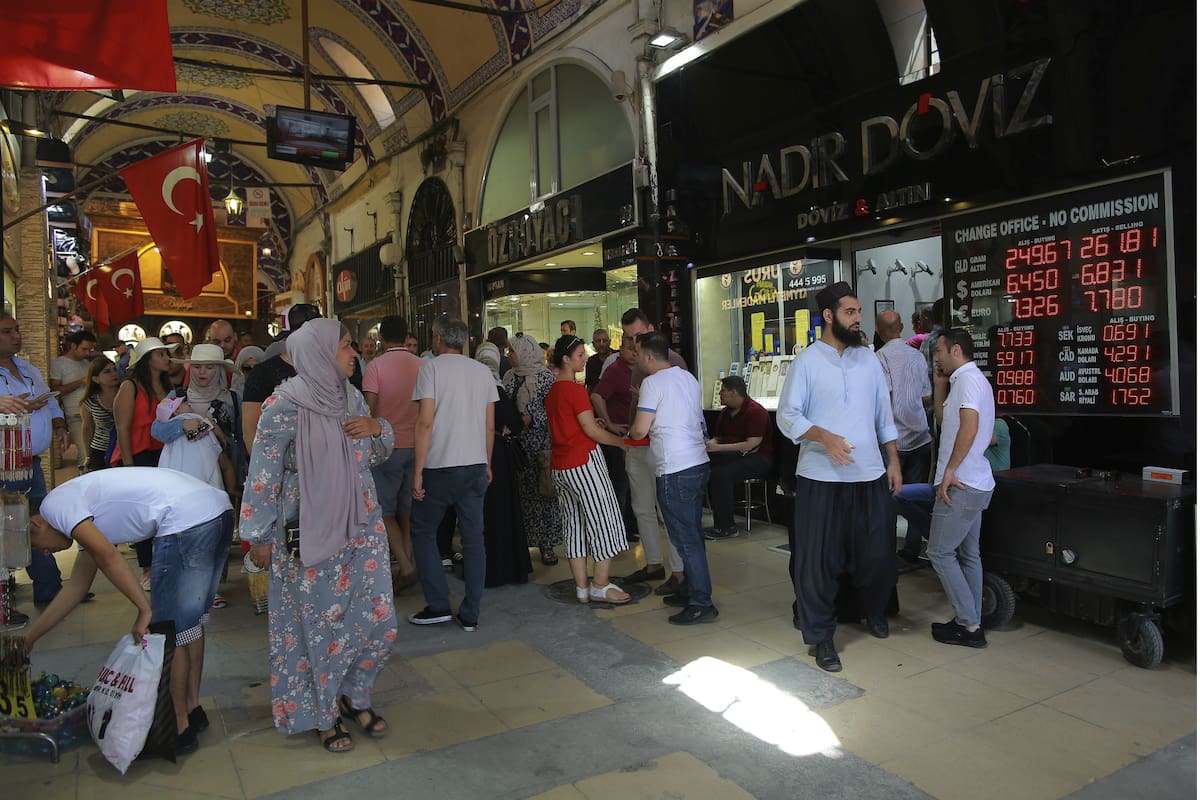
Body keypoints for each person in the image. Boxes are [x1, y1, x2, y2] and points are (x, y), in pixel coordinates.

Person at [241, 318, 397, 753]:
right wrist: (258, 536)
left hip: (362, 528)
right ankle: (323, 714)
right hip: (308, 529)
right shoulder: (283, 405)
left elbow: (375, 454)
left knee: (378, 620)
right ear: (320, 352)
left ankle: (354, 692)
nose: (355, 353)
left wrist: (377, 429)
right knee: (319, 628)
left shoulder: (349, 398)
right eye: (347, 346)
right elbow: (263, 472)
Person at [25, 468, 233, 754]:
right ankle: (192, 710)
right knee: (188, 625)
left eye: (38, 548)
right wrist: (30, 638)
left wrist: (144, 609)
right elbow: (76, 587)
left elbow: (110, 558)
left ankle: (178, 729)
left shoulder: (54, 507)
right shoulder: (82, 512)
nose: (47, 553)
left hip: (186, 520)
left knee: (167, 629)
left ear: (36, 524)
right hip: (216, 511)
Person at [776, 282, 902, 673]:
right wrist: (824, 436)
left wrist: (893, 461)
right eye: (850, 312)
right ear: (829, 316)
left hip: (869, 474)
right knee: (818, 561)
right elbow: (788, 416)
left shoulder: (869, 360)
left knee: (877, 553)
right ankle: (821, 637)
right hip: (820, 477)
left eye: (858, 312)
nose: (858, 319)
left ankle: (874, 611)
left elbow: (883, 415)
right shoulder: (808, 362)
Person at [407, 318, 498, 630]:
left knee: (422, 531)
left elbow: (425, 423)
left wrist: (417, 471)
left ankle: (438, 604)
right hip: (474, 467)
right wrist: (487, 463)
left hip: (439, 467)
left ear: (437, 338)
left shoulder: (430, 369)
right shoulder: (482, 371)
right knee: (474, 539)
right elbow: (489, 426)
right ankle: (471, 613)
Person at [627, 332, 715, 624]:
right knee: (691, 534)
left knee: (686, 539)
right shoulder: (687, 378)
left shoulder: (652, 383)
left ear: (650, 357)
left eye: (637, 353)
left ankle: (702, 601)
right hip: (698, 463)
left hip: (675, 468)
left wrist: (627, 432)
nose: (635, 358)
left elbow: (640, 430)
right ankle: (689, 589)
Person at [545, 335, 631, 604]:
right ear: (566, 360)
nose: (585, 358)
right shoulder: (574, 390)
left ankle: (582, 588)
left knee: (574, 526)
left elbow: (563, 426)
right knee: (604, 521)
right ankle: (601, 584)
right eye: (580, 355)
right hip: (583, 462)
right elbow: (590, 430)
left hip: (560, 466)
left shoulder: (552, 392)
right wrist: (620, 442)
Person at [927, 329, 996, 648]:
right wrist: (939, 385)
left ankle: (969, 624)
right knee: (969, 554)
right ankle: (972, 619)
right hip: (974, 481)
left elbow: (968, 428)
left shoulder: (968, 380)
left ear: (956, 350)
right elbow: (946, 420)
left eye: (939, 351)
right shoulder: (966, 381)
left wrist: (950, 471)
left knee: (939, 552)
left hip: (961, 483)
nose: (936, 357)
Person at [0, 313, 67, 620]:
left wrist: (58, 424)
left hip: (31, 462)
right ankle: (3, 604)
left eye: (17, 329)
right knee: (7, 528)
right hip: (3, 462)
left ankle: (50, 587)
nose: (16, 335)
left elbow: (49, 400)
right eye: (7, 331)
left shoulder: (26, 367)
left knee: (38, 523)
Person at [615, 309, 686, 595]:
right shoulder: (637, 362)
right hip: (638, 444)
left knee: (665, 511)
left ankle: (679, 571)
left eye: (638, 336)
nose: (633, 343)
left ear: (651, 329)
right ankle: (654, 563)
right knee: (642, 508)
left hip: (659, 446)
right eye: (629, 338)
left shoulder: (672, 363)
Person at [112, 337, 179, 590]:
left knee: (162, 512)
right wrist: (129, 467)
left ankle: (164, 562)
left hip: (163, 453)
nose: (166, 358)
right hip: (137, 454)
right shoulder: (130, 387)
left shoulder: (167, 384)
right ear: (148, 359)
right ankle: (147, 566)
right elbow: (122, 428)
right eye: (161, 354)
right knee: (141, 514)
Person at [363, 315, 423, 590]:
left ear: (382, 339)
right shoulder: (422, 365)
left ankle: (406, 564)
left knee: (384, 510)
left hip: (387, 448)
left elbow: (370, 411)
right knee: (409, 508)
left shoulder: (375, 366)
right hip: (419, 445)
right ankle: (408, 560)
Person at [502, 333, 563, 565]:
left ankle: (546, 545)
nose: (509, 355)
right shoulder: (509, 377)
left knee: (543, 495)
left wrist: (531, 418)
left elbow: (553, 410)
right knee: (521, 496)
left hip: (540, 447)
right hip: (517, 447)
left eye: (513, 351)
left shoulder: (545, 378)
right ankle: (523, 543)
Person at [475, 340, 531, 586]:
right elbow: (513, 423)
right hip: (498, 456)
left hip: (476, 454)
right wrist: (519, 422)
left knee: (484, 514)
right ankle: (509, 569)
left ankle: (487, 568)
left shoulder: (471, 387)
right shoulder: (496, 388)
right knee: (504, 512)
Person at [241, 304, 322, 457]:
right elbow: (250, 432)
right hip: (281, 469)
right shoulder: (262, 373)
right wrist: (265, 473)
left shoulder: (329, 370)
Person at [703, 375, 773, 540]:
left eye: (723, 391)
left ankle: (726, 526)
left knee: (721, 474)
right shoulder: (726, 412)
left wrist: (718, 448)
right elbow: (719, 437)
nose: (720, 394)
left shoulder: (756, 411)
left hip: (758, 457)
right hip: (731, 454)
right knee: (703, 466)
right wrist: (709, 445)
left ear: (734, 392)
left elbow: (752, 444)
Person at [875, 309, 932, 485]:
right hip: (921, 437)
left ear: (877, 330)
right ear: (901, 327)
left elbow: (882, 398)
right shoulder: (918, 356)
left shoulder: (879, 357)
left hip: (893, 441)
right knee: (914, 498)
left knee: (893, 495)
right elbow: (927, 396)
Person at [590, 335, 639, 540]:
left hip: (635, 435)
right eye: (629, 349)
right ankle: (615, 532)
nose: (634, 353)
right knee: (619, 484)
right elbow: (596, 396)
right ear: (620, 349)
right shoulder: (616, 370)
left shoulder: (638, 370)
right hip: (616, 437)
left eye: (636, 350)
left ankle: (628, 527)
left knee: (630, 483)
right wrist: (609, 423)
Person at [49, 329, 97, 472]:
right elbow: (56, 391)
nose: (87, 353)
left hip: (92, 412)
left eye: (90, 349)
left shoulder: (86, 363)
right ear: (73, 346)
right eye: (84, 349)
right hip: (75, 414)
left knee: (94, 453)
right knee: (84, 453)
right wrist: (81, 382)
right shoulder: (58, 364)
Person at [79, 356, 118, 472]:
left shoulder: (128, 394)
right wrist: (88, 456)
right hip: (100, 449)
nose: (113, 374)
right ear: (96, 379)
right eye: (107, 372)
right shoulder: (90, 401)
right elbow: (87, 428)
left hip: (123, 447)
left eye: (115, 369)